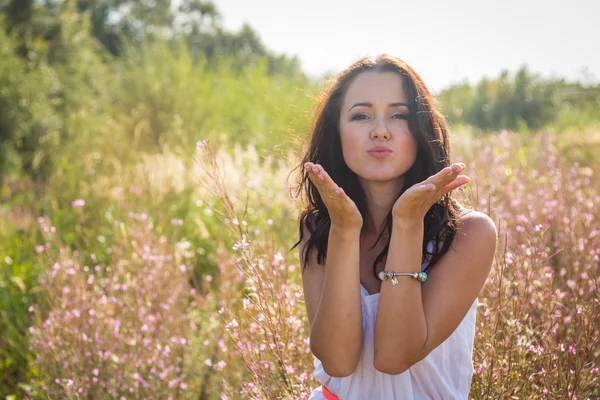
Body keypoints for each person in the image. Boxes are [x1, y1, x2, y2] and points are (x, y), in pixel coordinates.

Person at [291, 54, 497, 399]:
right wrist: (344, 231)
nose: (380, 130)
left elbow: (393, 356)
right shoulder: (320, 227)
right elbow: (338, 362)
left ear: (421, 131)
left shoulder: (468, 234)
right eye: (361, 115)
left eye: (399, 115)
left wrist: (407, 224)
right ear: (336, 133)